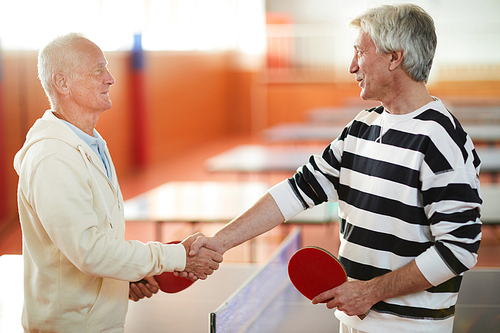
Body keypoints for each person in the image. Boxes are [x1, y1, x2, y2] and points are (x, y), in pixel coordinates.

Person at [187, 4, 482, 333]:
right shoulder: (361, 128)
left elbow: (459, 248)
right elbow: (295, 192)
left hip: (406, 327)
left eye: (359, 51)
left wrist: (370, 292)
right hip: (353, 319)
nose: (351, 65)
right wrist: (218, 242)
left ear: (394, 58)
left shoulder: (440, 140)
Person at [13, 33, 222, 332]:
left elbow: (99, 239)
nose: (110, 78)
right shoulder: (53, 158)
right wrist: (176, 258)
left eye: (107, 68)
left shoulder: (90, 143)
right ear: (62, 83)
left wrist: (123, 276)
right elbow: (89, 252)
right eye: (98, 70)